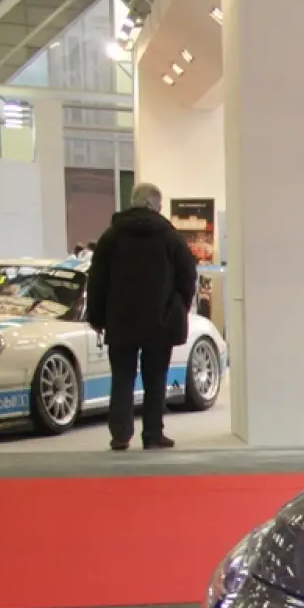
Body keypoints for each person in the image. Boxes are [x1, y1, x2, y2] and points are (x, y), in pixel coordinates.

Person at [86, 182, 198, 450]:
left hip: (121, 321)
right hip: (159, 323)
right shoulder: (170, 237)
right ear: (155, 205)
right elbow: (188, 275)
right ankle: (153, 434)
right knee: (155, 378)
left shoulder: (112, 236)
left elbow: (97, 278)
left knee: (122, 377)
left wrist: (97, 316)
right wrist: (176, 306)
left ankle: (120, 435)